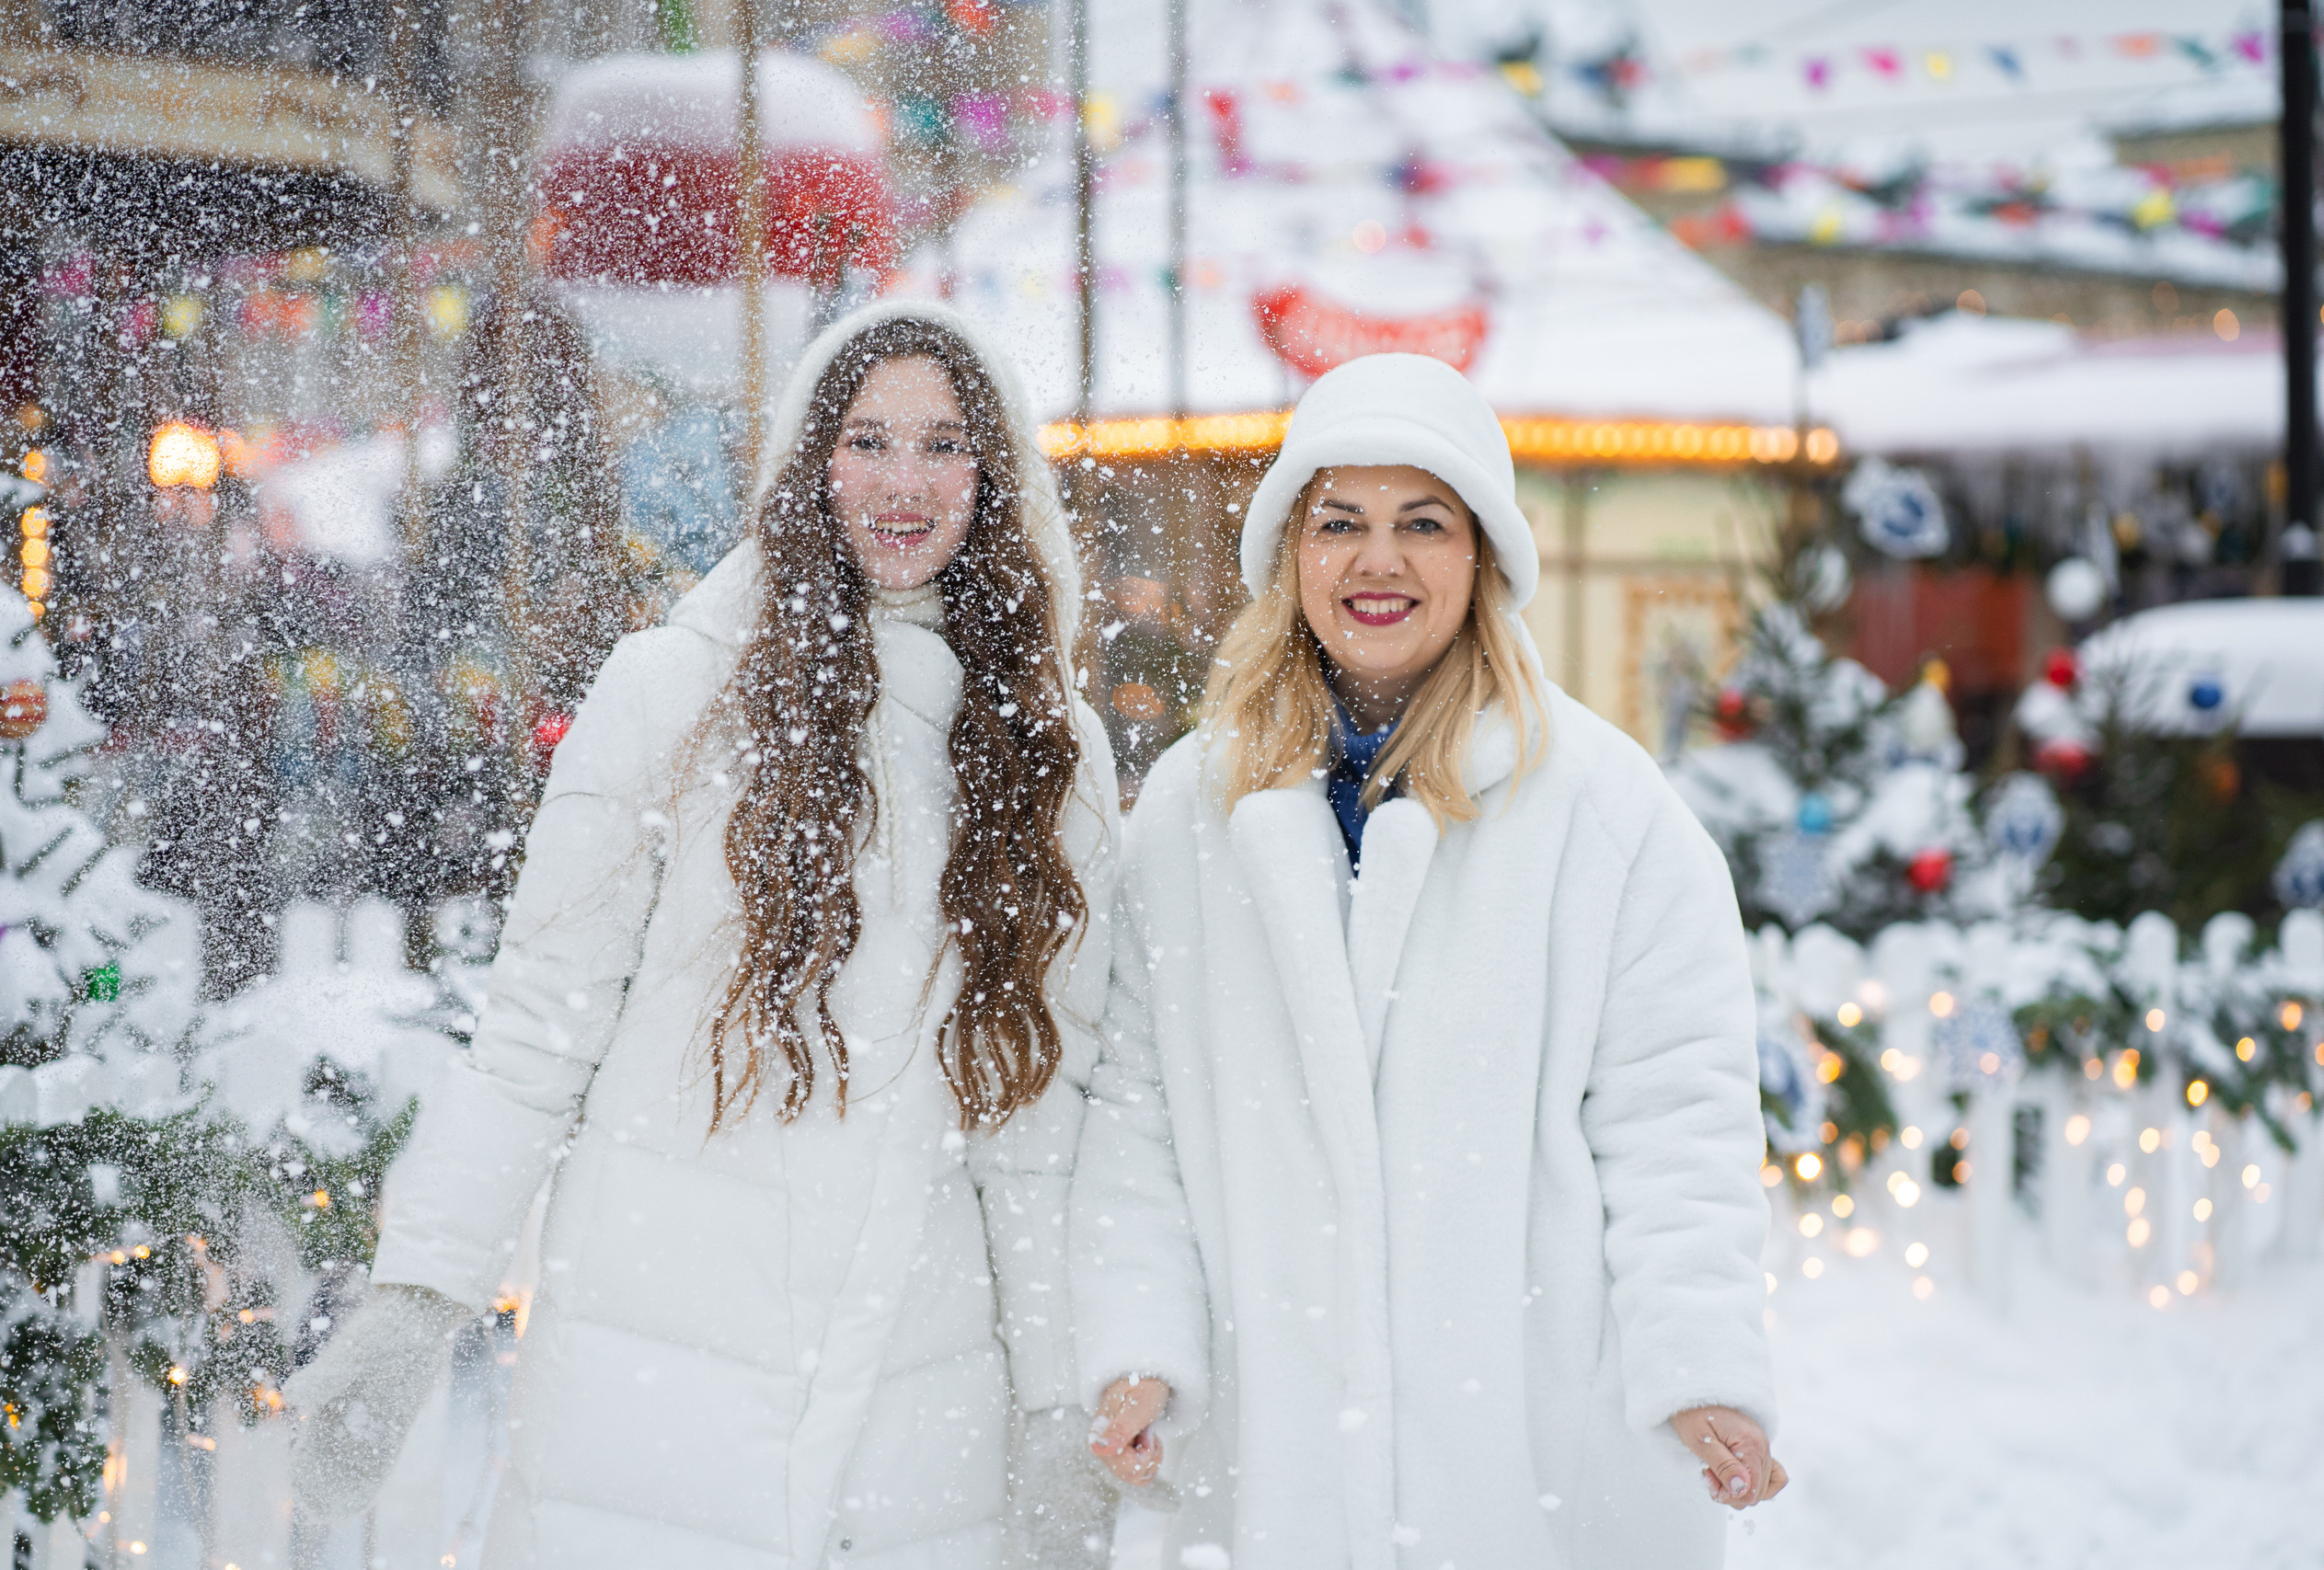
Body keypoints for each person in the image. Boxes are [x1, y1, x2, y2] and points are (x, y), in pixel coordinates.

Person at [285, 302, 1122, 1570]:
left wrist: (1058, 1399)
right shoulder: (671, 694)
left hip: (915, 1404)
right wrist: (417, 1300)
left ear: (995, 478)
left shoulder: (1047, 752)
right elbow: (535, 1031)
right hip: (653, 1373)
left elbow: (1037, 1119)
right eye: (868, 440)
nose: (904, 483)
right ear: (810, 466)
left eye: (945, 444)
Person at [1073, 354, 1786, 1568]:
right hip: (1272, 1445)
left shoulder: (1605, 813)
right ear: (1291, 552)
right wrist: (1139, 1345)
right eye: (1339, 522)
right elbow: (1133, 1111)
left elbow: (1678, 1122)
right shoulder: (1193, 812)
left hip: (1521, 1451)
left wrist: (1699, 1362)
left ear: (1484, 559)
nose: (1378, 561)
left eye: (1424, 523)